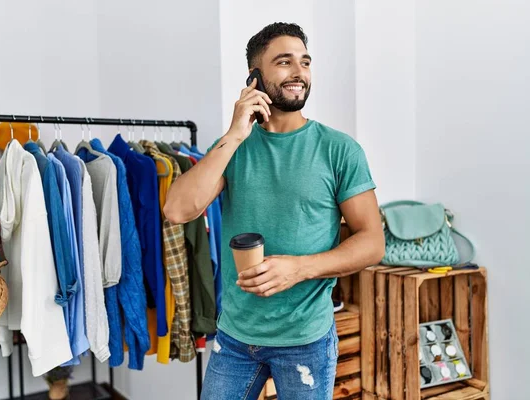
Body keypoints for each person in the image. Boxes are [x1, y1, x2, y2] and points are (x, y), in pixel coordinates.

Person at [164, 22, 385, 399]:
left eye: (305, 62)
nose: (299, 72)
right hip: (234, 337)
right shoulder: (233, 147)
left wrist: (298, 269)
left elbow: (372, 243)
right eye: (284, 62)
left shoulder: (339, 149)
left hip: (307, 340)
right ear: (254, 77)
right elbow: (177, 209)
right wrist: (234, 134)